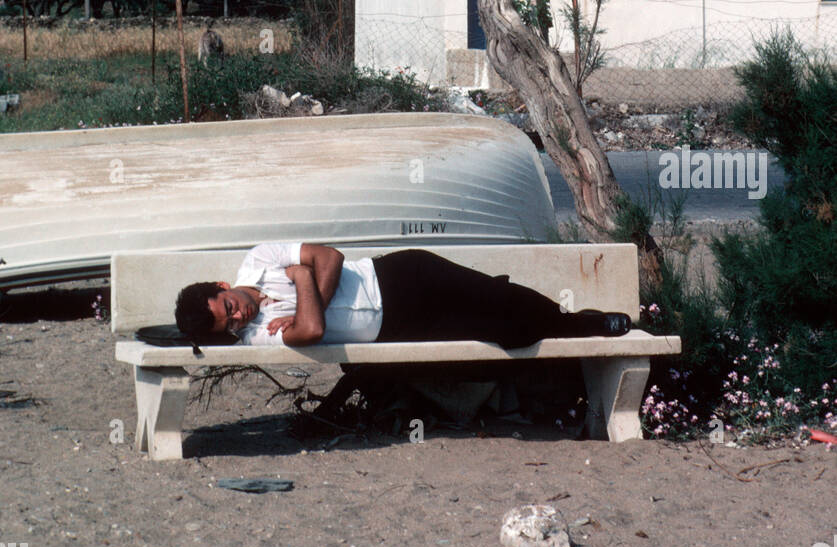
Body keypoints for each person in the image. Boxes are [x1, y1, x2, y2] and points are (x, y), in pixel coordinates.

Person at [174, 242, 632, 349]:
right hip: (396, 326)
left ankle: (582, 323)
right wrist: (299, 277)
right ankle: (564, 329)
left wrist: (309, 288)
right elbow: (312, 330)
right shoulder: (256, 337)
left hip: (397, 275)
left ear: (222, 286)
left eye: (229, 308)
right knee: (505, 333)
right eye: (230, 324)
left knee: (495, 298)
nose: (240, 318)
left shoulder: (258, 258)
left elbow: (330, 257)